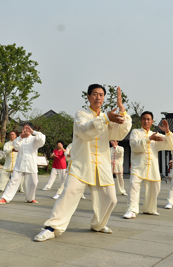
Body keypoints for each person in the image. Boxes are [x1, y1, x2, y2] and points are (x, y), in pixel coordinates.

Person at [34, 85, 132, 242]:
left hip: (102, 165)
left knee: (111, 199)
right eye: (95, 94)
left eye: (101, 95)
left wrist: (121, 109)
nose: (98, 97)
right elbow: (85, 130)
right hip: (82, 164)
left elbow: (122, 131)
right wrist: (106, 118)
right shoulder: (81, 114)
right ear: (88, 96)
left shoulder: (109, 118)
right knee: (69, 193)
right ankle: (52, 227)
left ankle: (98, 225)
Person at [123, 112, 173, 219]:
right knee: (134, 187)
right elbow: (135, 146)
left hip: (152, 167)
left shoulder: (156, 135)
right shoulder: (135, 132)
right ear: (141, 120)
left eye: (148, 119)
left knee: (154, 188)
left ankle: (150, 209)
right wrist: (149, 139)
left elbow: (170, 145)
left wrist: (167, 132)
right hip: (138, 166)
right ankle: (132, 210)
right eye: (144, 119)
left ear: (152, 122)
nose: (146, 121)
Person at [0, 123, 45, 204]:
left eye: (27, 128)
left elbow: (42, 140)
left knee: (33, 183)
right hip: (20, 164)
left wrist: (34, 132)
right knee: (13, 181)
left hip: (31, 164)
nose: (25, 129)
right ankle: (5, 198)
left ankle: (30, 198)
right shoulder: (19, 139)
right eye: (24, 128)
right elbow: (15, 146)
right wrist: (21, 137)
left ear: (31, 129)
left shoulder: (35, 139)